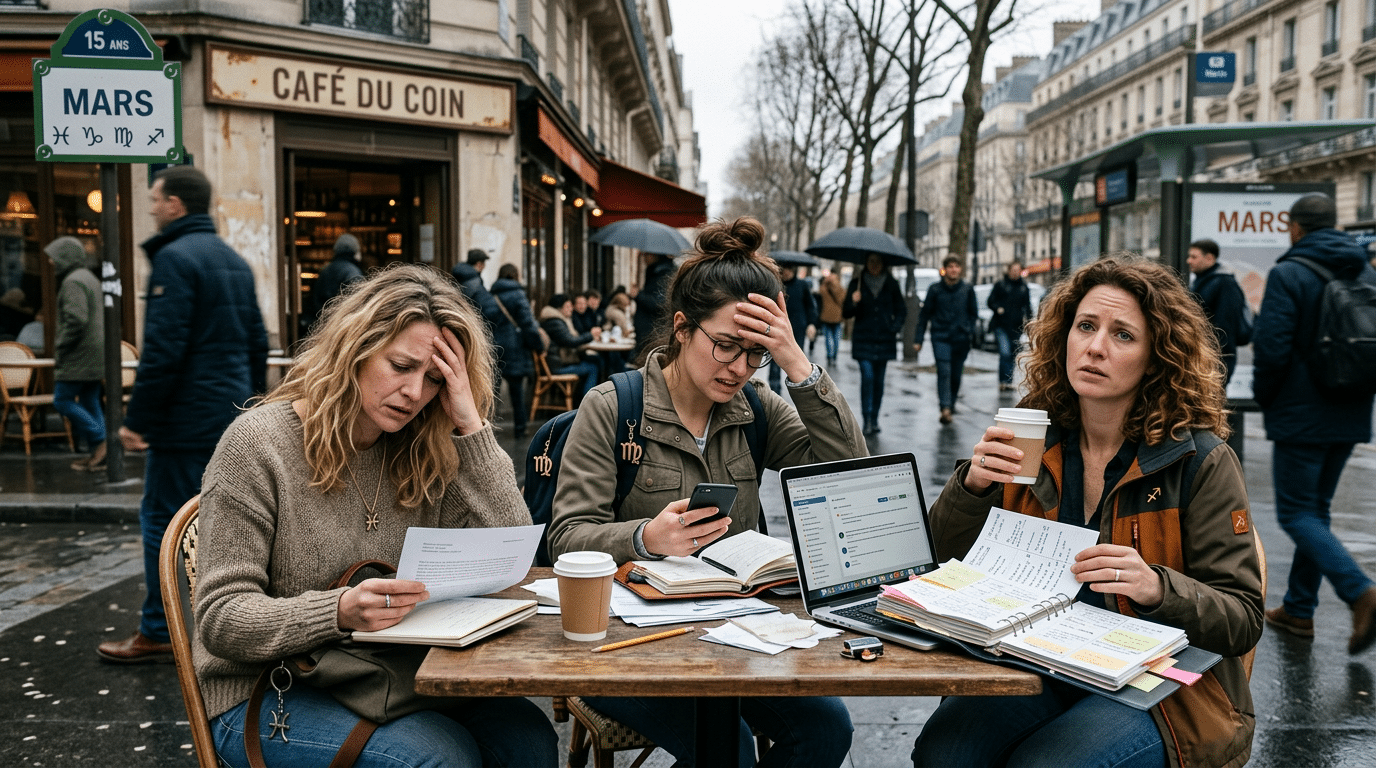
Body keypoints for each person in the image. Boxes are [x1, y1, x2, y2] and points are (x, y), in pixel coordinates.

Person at [193, 264, 558, 767]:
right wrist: (338, 611)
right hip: (267, 690)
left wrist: (470, 424)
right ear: (355, 351)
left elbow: (512, 550)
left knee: (527, 737)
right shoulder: (258, 445)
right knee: (435, 758)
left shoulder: (423, 448)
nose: (414, 393)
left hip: (389, 676)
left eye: (434, 379)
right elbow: (220, 617)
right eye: (401, 366)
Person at [912, 255, 1262, 768]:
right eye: (1086, 326)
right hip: (1038, 659)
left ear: (1157, 356)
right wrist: (972, 485)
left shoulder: (1200, 459)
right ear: (1063, 337)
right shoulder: (1033, 437)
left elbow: (1242, 618)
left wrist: (1157, 588)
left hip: (1163, 687)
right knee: (945, 754)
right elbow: (938, 565)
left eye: (1123, 336)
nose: (1095, 347)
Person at [548, 217, 861, 768]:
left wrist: (797, 364)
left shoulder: (757, 408)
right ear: (681, 328)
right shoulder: (612, 407)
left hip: (739, 632)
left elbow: (849, 475)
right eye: (724, 346)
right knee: (728, 748)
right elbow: (566, 540)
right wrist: (645, 538)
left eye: (754, 352)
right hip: (630, 645)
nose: (739, 368)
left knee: (825, 730)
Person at [99, 166, 269, 664]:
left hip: (184, 420)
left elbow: (163, 353)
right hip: (230, 414)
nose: (150, 208)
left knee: (161, 520)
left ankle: (158, 629)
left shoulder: (174, 259)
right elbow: (256, 341)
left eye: (155, 199)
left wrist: (138, 420)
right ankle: (233, 622)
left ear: (175, 204)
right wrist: (255, 407)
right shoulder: (234, 261)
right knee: (223, 520)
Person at [1253, 193, 1376, 655]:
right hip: (1351, 407)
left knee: (1297, 513)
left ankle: (1360, 591)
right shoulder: (1364, 270)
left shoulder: (1290, 272)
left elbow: (1272, 347)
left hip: (1302, 414)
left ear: (1295, 227)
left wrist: (1267, 398)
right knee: (1315, 510)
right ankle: (1300, 609)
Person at [45, 236, 106, 472]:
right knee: (90, 400)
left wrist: (60, 344)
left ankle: (101, 440)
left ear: (65, 257)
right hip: (92, 355)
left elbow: (76, 319)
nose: (51, 263)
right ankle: (100, 453)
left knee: (62, 400)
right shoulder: (89, 278)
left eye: (54, 258)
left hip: (77, 356)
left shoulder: (72, 282)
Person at [843, 253, 906, 436]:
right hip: (864, 339)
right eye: (871, 261)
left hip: (885, 340)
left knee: (879, 382)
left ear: (883, 264)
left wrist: (893, 327)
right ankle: (867, 418)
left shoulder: (892, 284)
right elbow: (846, 313)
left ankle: (875, 418)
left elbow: (901, 310)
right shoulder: (857, 284)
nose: (874, 265)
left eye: (878, 262)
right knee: (868, 377)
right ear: (866, 263)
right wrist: (853, 302)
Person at [914, 254, 978, 425]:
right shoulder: (935, 289)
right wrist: (918, 339)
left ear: (960, 269)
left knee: (956, 375)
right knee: (944, 372)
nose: (953, 269)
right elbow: (924, 315)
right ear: (944, 269)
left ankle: (951, 402)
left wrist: (969, 330)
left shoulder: (967, 289)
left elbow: (974, 314)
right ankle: (945, 408)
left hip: (961, 338)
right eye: (950, 266)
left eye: (956, 266)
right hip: (940, 337)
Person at [490, 263, 545, 439]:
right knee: (517, 393)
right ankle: (520, 429)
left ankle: (489, 430)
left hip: (494, 347)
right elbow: (528, 324)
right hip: (515, 349)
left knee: (492, 394)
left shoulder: (491, 294)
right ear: (515, 275)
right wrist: (538, 345)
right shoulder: (518, 295)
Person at [1187, 238, 1249, 384]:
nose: (1189, 261)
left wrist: (1216, 361)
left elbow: (1225, 326)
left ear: (1209, 258)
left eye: (1194, 257)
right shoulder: (1204, 281)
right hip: (1205, 357)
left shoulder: (1224, 283)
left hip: (1216, 360)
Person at [538, 293, 601, 398]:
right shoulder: (555, 322)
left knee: (595, 360)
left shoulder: (555, 320)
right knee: (593, 367)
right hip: (556, 367)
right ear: (559, 308)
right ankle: (587, 402)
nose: (571, 309)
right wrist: (590, 335)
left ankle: (580, 399)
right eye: (568, 306)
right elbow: (570, 341)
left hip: (555, 362)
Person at [767, 263, 818, 393]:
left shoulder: (802, 285)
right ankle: (775, 389)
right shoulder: (775, 285)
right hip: (776, 328)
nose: (787, 272)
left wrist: (812, 324)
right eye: (784, 269)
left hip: (797, 328)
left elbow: (810, 306)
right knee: (774, 360)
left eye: (789, 269)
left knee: (795, 359)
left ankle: (798, 388)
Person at [987, 260, 1033, 392]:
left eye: (1018, 270)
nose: (1016, 273)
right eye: (1013, 270)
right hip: (1001, 325)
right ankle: (1002, 380)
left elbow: (1027, 306)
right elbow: (990, 301)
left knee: (1013, 353)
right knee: (1005, 352)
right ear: (1009, 270)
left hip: (1016, 326)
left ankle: (1008, 381)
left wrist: (1029, 322)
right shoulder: (1000, 285)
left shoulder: (1023, 287)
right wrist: (998, 308)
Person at [305, 233, 364, 332]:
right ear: (355, 251)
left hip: (324, 327)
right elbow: (359, 304)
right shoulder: (353, 272)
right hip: (344, 328)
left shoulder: (325, 271)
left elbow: (316, 301)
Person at [632, 251, 676, 360]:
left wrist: (638, 295)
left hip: (652, 333)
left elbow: (660, 303)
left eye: (646, 254)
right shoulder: (655, 271)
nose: (644, 258)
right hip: (647, 332)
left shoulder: (664, 274)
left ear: (654, 254)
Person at [451, 249, 503, 333]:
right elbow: (490, 309)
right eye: (483, 264)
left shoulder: (461, 277)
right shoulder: (473, 281)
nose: (484, 267)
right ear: (479, 264)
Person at [817, 270, 845, 367]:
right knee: (835, 339)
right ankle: (833, 356)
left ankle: (830, 356)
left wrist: (826, 282)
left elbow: (820, 292)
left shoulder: (825, 287)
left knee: (829, 339)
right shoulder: (839, 287)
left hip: (827, 317)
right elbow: (842, 298)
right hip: (836, 317)